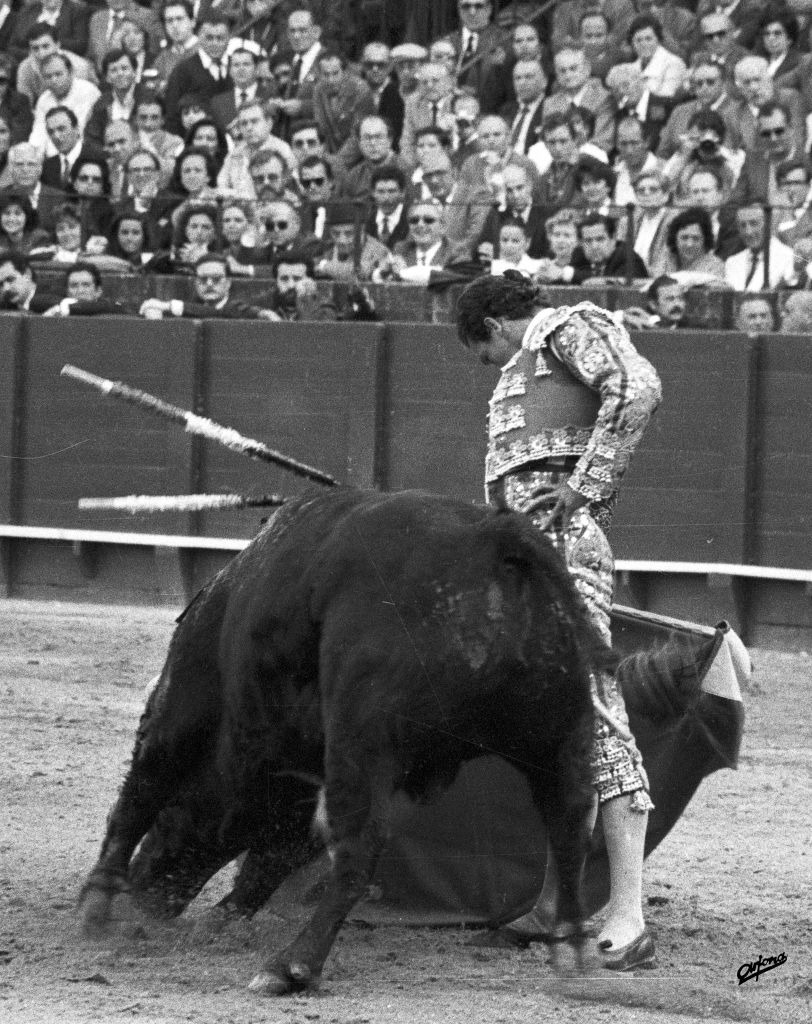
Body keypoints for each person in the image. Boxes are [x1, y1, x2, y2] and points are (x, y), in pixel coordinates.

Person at [455, 272, 661, 970]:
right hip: (530, 556)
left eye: (482, 351)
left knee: (597, 715)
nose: (489, 365)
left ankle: (629, 917)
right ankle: (557, 902)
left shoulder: (565, 327)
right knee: (549, 726)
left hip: (564, 552)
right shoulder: (533, 356)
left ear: (491, 325)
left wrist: (584, 487)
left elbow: (636, 387)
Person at [139, 253, 278, 319]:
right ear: (196, 283)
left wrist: (169, 305)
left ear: (228, 283)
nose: (209, 284)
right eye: (203, 279)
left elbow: (220, 313)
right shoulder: (191, 304)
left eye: (216, 279)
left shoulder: (237, 305)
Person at [724, 203, 799, 291]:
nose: (748, 232)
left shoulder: (788, 257)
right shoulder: (732, 262)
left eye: (754, 223)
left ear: (768, 224)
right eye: (743, 225)